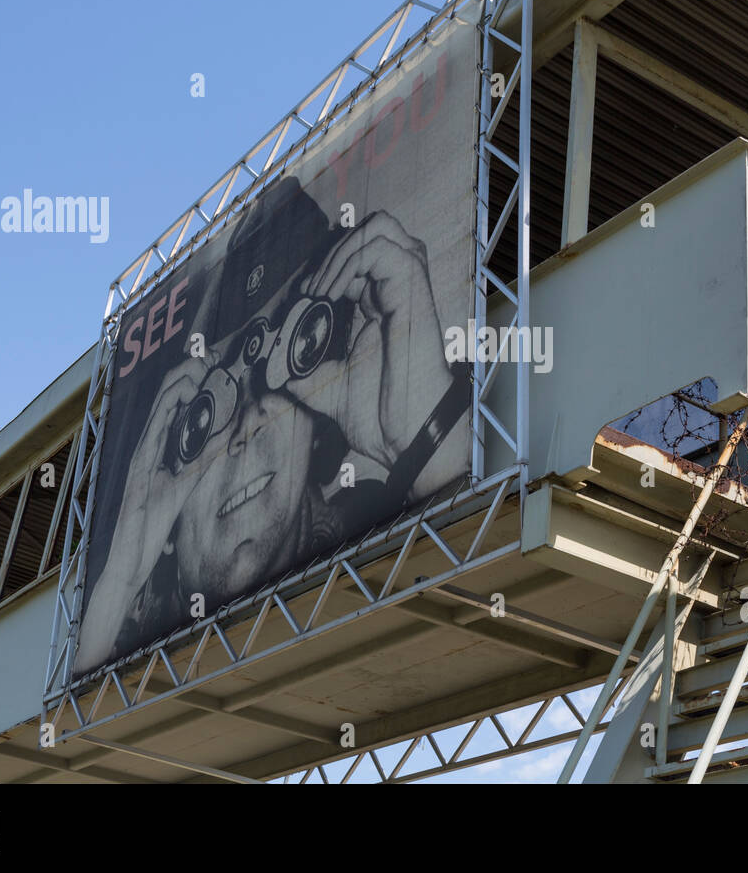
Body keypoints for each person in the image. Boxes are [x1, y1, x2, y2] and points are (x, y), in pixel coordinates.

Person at [73, 177, 468, 674]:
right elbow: (69, 733)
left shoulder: (380, 543)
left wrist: (422, 437)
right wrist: (120, 583)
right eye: (210, 408)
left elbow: (481, 593)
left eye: (287, 363)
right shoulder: (130, 622)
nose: (245, 427)